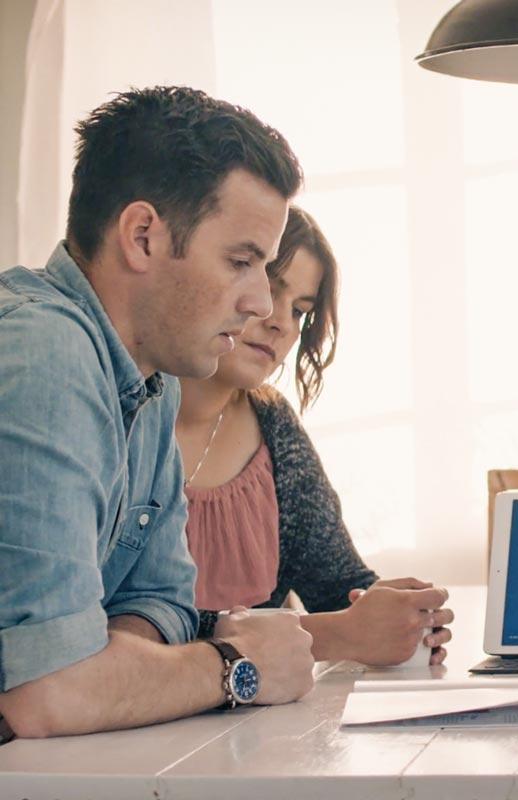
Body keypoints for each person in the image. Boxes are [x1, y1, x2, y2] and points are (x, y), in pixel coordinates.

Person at [0, 86, 317, 739]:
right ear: (142, 237)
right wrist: (239, 666)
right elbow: (47, 695)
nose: (262, 303)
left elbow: (162, 601)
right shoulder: (44, 354)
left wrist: (112, 674)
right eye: (241, 261)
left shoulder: (153, 379)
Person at [175, 206, 453, 666]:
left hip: (257, 710)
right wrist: (331, 634)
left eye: (299, 310)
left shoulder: (274, 426)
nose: (280, 323)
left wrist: (400, 616)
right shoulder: (125, 415)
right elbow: (126, 629)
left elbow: (338, 588)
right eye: (270, 289)